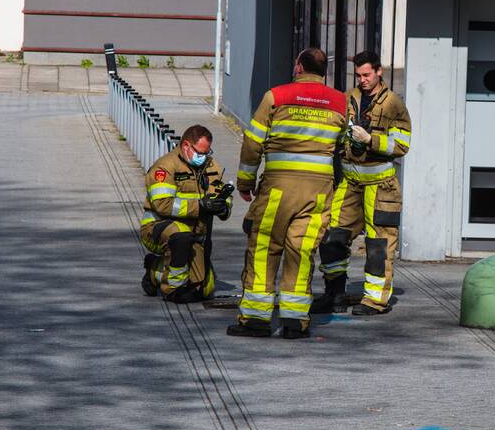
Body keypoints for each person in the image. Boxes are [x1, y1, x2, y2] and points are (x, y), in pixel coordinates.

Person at [228, 47, 347, 339]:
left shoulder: (276, 96)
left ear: (298, 68)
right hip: (318, 194)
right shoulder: (341, 102)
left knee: (265, 249)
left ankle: (256, 320)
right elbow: (343, 147)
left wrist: (245, 182)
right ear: (323, 73)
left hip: (278, 189)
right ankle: (295, 322)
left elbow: (253, 142)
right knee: (301, 253)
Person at [315, 51, 411, 316]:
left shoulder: (393, 104)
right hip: (350, 182)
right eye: (358, 75)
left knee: (378, 244)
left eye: (367, 74)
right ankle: (334, 293)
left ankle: (376, 300)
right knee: (333, 236)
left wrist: (371, 140)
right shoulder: (348, 98)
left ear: (379, 72)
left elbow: (402, 144)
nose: (362, 80)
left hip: (381, 186)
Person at [140, 124, 232, 303]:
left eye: (207, 152)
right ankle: (172, 289)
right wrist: (200, 206)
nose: (204, 157)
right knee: (181, 237)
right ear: (186, 146)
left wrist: (223, 207)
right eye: (200, 152)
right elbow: (162, 205)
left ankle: (154, 270)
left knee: (204, 288)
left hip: (195, 234)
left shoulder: (212, 166)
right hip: (158, 228)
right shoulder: (165, 167)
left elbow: (221, 194)